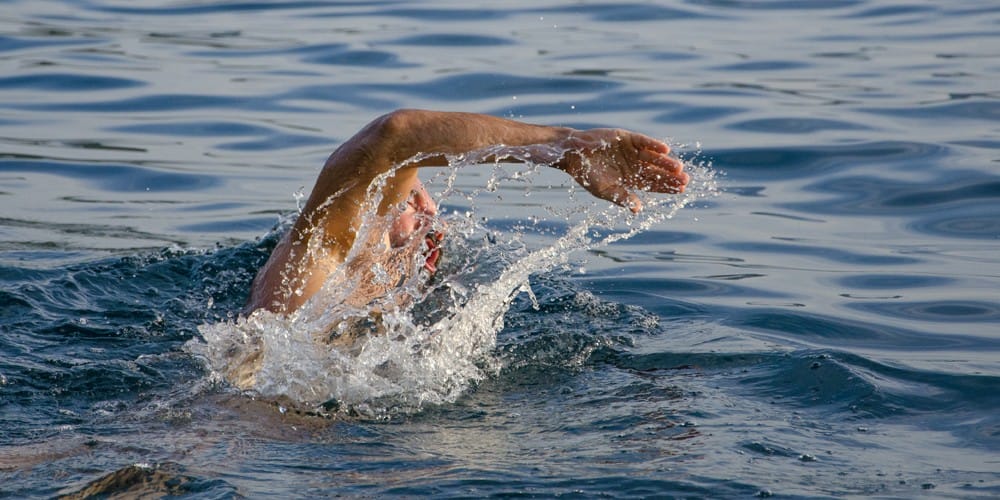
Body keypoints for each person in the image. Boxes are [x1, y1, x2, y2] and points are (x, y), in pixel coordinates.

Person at [244, 109, 689, 315]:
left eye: (423, 199)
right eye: (406, 191)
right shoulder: (316, 263)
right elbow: (395, 136)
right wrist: (564, 146)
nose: (424, 205)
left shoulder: (378, 317)